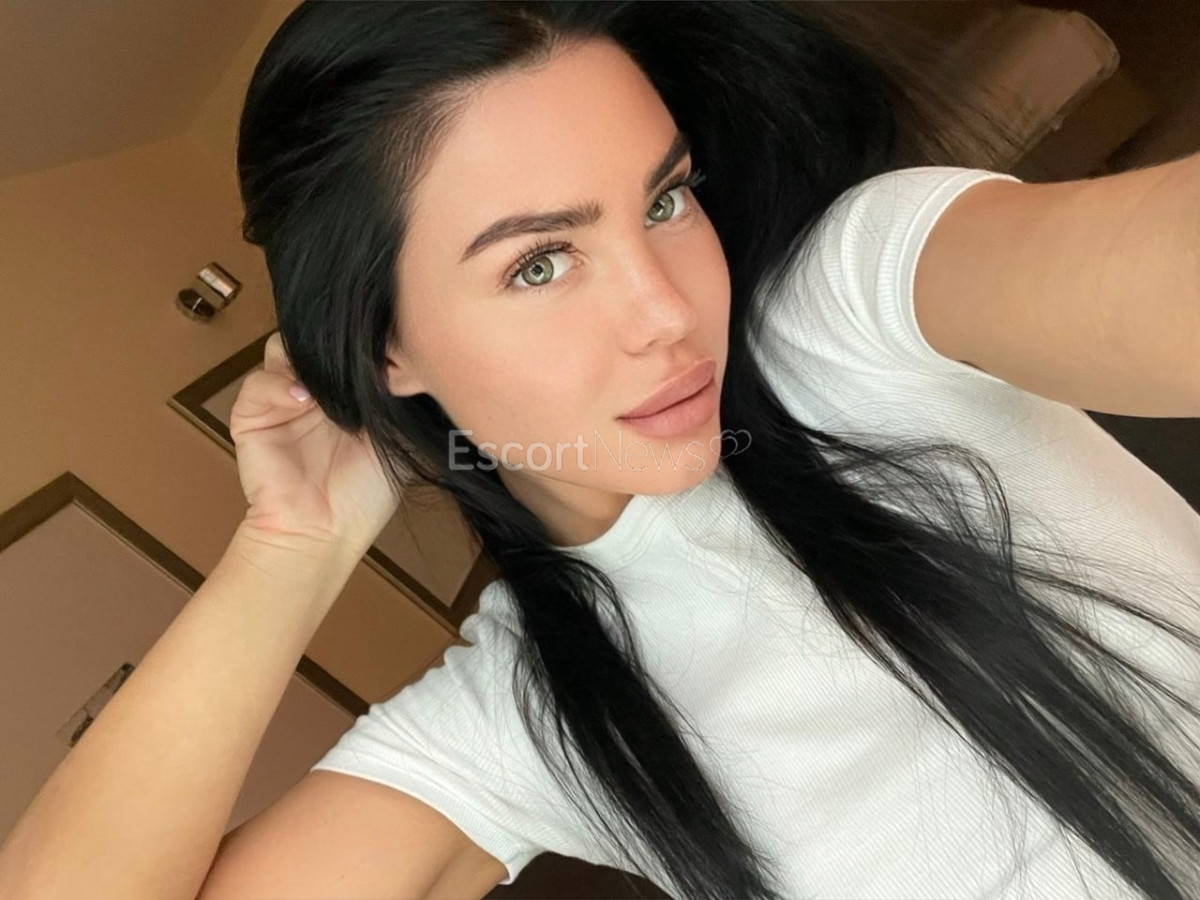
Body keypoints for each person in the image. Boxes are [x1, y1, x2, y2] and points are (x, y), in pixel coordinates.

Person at [3, 2, 1199, 898]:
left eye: (665, 200)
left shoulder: (859, 303)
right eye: (539, 262)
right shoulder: (529, 714)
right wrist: (291, 546)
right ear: (388, 349)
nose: (665, 311)